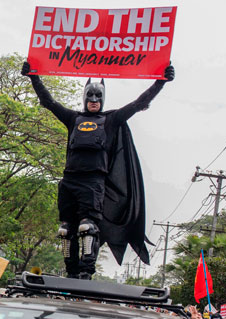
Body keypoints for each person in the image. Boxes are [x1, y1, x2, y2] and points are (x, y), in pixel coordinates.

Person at [22, 61, 174, 279]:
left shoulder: (111, 120)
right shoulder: (73, 118)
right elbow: (48, 102)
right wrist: (33, 77)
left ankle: (86, 269)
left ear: (103, 100)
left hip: (93, 183)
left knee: (87, 227)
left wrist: (160, 82)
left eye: (98, 98)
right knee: (66, 230)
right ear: (85, 98)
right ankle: (71, 269)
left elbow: (139, 103)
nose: (94, 101)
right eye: (90, 97)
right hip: (69, 181)